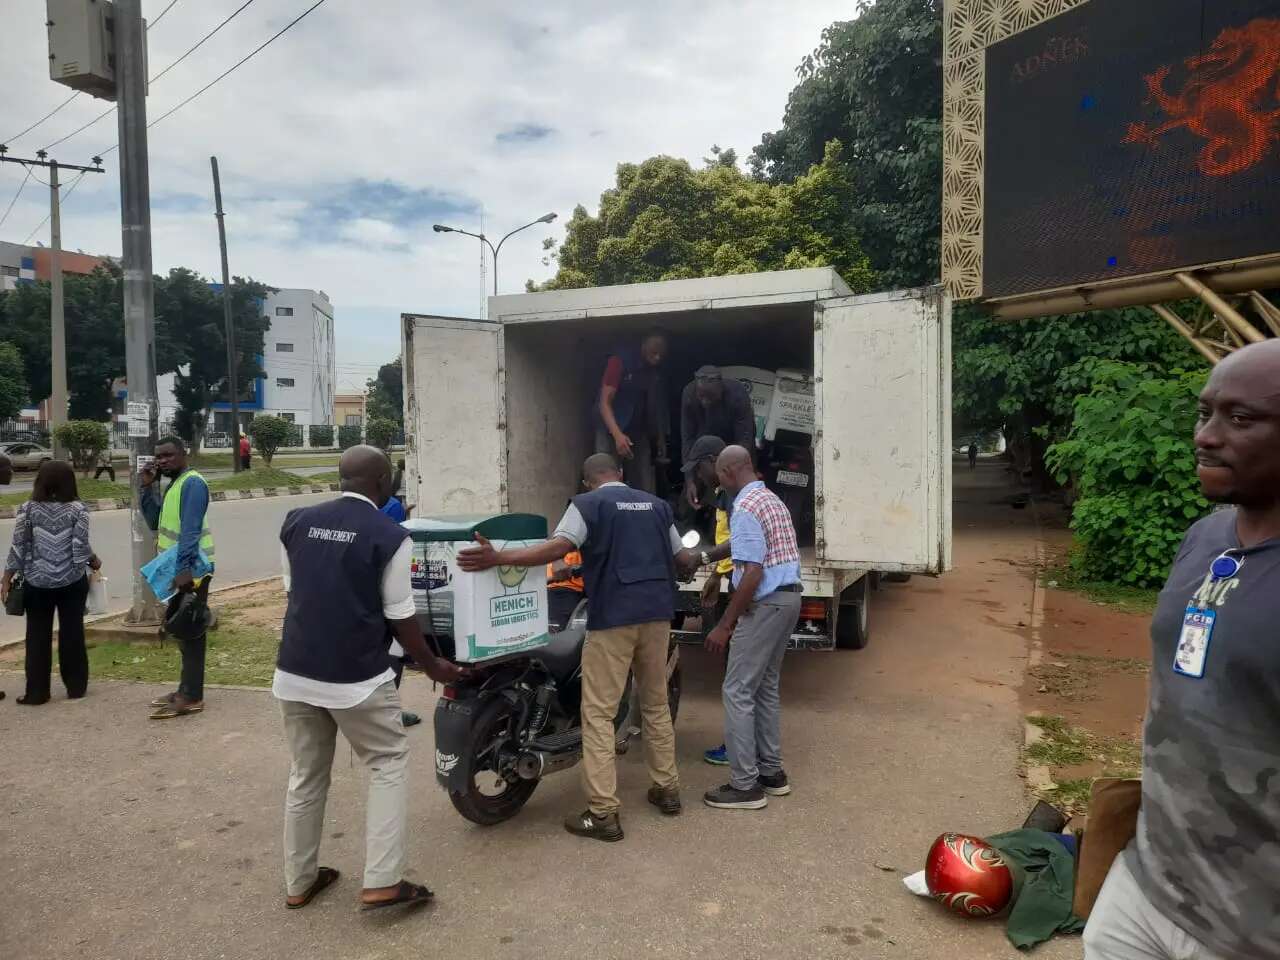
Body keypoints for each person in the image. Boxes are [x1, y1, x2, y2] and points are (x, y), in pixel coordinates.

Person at [1083, 339, 1280, 960]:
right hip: (1147, 886)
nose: (1207, 436)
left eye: (1240, 419)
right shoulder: (1205, 540)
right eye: (1205, 413)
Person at [458, 452, 692, 841]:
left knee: (597, 715)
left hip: (613, 618)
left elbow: (555, 547)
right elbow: (681, 558)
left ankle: (603, 814)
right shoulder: (656, 506)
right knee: (653, 703)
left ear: (587, 482)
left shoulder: (587, 505)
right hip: (656, 617)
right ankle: (667, 791)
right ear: (620, 474)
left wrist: (498, 558)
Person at [273, 445, 467, 912]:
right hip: (356, 677)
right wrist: (433, 663)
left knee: (306, 775)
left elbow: (294, 591)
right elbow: (401, 614)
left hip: (295, 672)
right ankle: (383, 880)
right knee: (387, 761)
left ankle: (298, 882)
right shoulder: (389, 534)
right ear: (383, 482)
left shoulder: (296, 521)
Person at [701, 445, 802, 810]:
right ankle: (771, 774)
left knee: (737, 690)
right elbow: (745, 547)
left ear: (727, 472)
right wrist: (706, 557)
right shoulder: (768, 499)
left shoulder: (742, 507)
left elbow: (753, 570)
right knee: (764, 688)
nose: (717, 482)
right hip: (789, 600)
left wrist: (725, 625)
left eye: (717, 475)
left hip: (765, 605)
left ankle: (745, 785)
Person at [2, 461, 100, 705]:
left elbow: (19, 545)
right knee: (72, 633)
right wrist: (94, 561)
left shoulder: (28, 509)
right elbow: (79, 548)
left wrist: (6, 578)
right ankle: (76, 687)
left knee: (36, 636)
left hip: (37, 583)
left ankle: (37, 693)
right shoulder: (79, 509)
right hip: (72, 583)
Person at [140, 436, 215, 720]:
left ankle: (192, 696)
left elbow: (191, 530)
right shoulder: (174, 484)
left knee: (192, 632)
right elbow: (153, 521)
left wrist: (185, 570)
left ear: (184, 454)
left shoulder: (193, 483)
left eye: (169, 455)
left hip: (192, 570)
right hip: (178, 570)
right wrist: (147, 487)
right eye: (159, 457)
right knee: (184, 631)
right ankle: (186, 689)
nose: (163, 461)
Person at [594, 330, 669, 493]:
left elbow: (653, 405)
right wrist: (617, 435)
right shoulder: (619, 361)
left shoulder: (653, 370)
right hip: (611, 428)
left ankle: (645, 515)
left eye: (661, 355)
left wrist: (659, 437)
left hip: (637, 430)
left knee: (644, 480)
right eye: (654, 352)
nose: (657, 358)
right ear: (643, 345)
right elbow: (604, 403)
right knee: (606, 478)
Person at [680, 366, 755, 496]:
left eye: (710, 397)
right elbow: (688, 439)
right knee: (690, 496)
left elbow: (744, 440)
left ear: (721, 389)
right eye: (701, 396)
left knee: (730, 494)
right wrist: (690, 480)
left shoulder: (737, 394)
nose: (705, 402)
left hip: (731, 445)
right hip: (703, 449)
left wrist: (732, 475)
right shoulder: (689, 394)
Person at [546, 549, 585, 631]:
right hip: (564, 582)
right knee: (557, 631)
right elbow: (558, 540)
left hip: (598, 582)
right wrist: (557, 558)